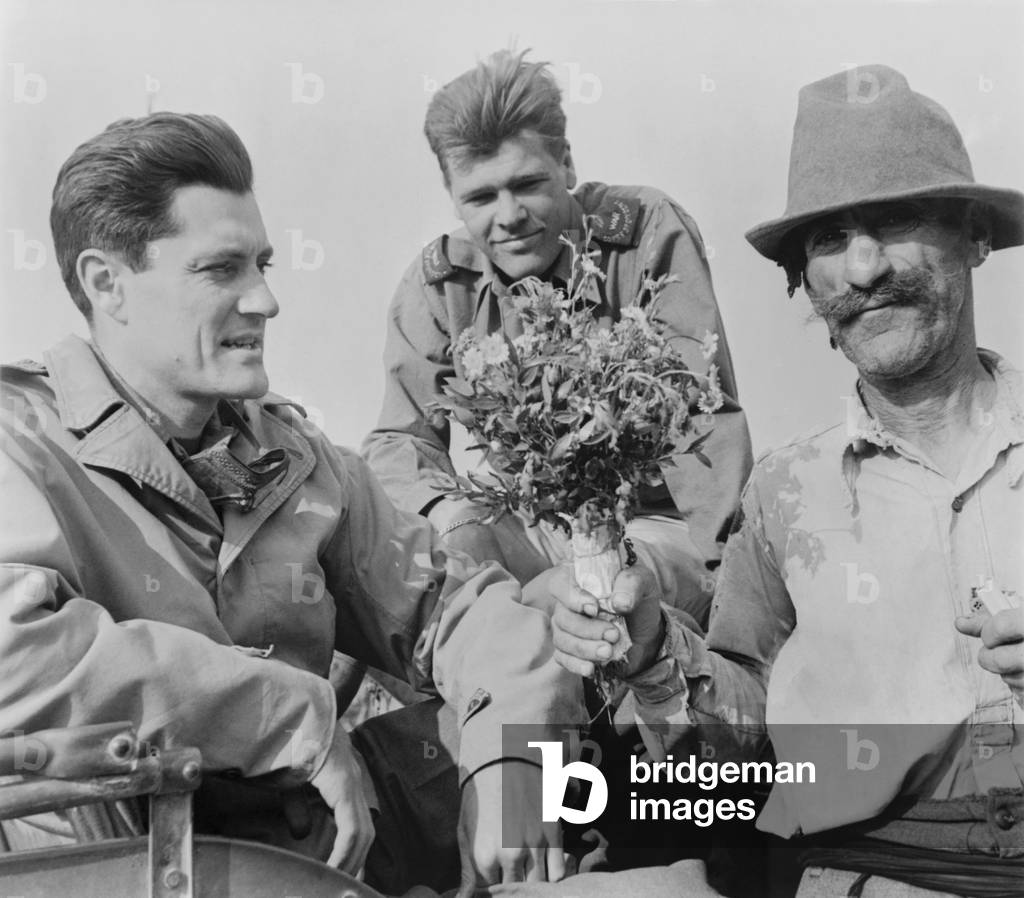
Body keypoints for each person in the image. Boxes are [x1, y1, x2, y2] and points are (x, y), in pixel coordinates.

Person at [0, 111, 582, 893]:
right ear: (108, 284)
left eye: (264, 265)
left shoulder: (298, 461)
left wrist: (514, 759)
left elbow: (456, 607)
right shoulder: (19, 445)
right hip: (125, 869)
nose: (266, 301)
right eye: (222, 270)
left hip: (322, 857)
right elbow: (16, 660)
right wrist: (291, 716)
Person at [546, 66, 1024, 897]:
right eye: (829, 242)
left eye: (897, 219)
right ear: (805, 283)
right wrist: (655, 649)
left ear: (975, 235)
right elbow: (738, 755)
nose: (864, 268)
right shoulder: (783, 495)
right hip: (866, 871)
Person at [362, 49, 752, 622]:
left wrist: (737, 590)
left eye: (527, 184)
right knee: (437, 567)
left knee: (607, 591)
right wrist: (448, 513)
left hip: (657, 527)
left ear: (566, 165)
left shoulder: (642, 229)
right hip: (533, 524)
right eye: (480, 197)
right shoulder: (440, 285)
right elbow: (400, 439)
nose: (509, 215)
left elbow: (699, 410)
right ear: (453, 198)